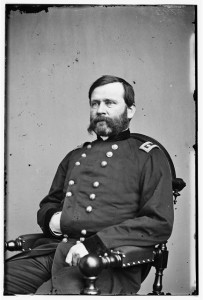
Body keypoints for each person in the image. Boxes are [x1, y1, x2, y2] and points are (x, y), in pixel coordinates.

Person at [4, 75, 174, 295]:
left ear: (130, 110)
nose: (101, 110)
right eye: (95, 104)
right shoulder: (75, 156)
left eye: (110, 103)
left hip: (107, 261)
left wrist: (93, 245)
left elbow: (158, 222)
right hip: (57, 251)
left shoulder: (148, 157)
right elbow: (49, 204)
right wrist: (53, 220)